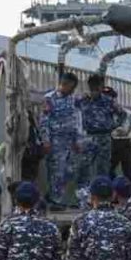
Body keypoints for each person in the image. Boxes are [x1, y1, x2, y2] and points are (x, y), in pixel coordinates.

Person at [77, 76, 127, 199]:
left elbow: (123, 114)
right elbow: (70, 109)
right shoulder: (83, 100)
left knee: (103, 169)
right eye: (92, 88)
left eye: (97, 88)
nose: (95, 90)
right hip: (89, 136)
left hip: (104, 137)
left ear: (101, 87)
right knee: (84, 168)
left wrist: (113, 126)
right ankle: (84, 197)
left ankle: (101, 197)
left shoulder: (108, 101)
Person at [40, 72, 81, 209]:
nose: (73, 90)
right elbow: (44, 121)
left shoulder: (72, 99)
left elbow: (75, 120)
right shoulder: (50, 98)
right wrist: (46, 140)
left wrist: (76, 140)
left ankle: (54, 196)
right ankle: (55, 200)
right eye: (72, 87)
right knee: (56, 171)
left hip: (69, 141)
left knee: (69, 171)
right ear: (65, 84)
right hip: (56, 141)